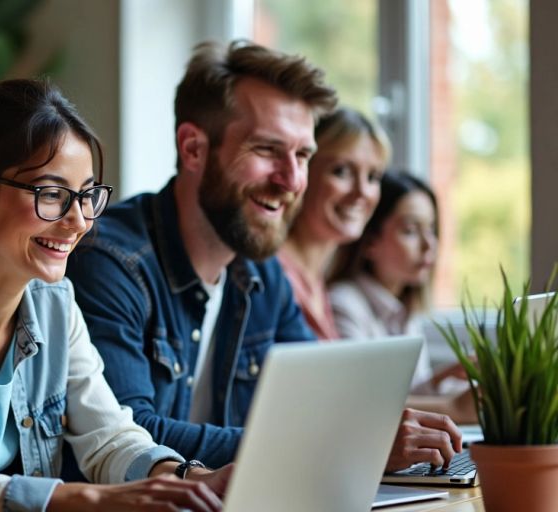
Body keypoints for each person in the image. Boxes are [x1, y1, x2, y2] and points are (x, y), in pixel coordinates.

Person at [65, 40, 463, 472]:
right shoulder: (110, 261)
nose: (292, 180)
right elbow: (131, 439)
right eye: (267, 150)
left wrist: (383, 431)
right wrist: (353, 445)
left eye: (303, 155)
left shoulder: (261, 274)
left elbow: (328, 402)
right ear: (194, 148)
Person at [0, 79, 233, 512]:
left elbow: (109, 438)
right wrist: (80, 497)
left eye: (87, 195)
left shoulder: (56, 306)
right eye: (51, 195)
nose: (78, 221)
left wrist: (188, 478)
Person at [328, 171, 472, 421]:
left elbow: (399, 395)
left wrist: (442, 378)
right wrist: (454, 407)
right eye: (410, 230)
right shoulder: (344, 305)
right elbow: (360, 407)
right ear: (370, 241)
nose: (429, 245)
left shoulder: (406, 314)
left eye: (432, 229)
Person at [277, 107, 392, 340]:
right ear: (303, 171)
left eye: (372, 177)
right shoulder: (275, 273)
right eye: (342, 171)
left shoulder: (317, 280)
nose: (362, 193)